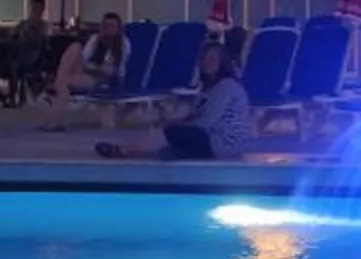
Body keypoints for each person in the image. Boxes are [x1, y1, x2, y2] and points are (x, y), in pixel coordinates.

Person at [98, 41, 248, 160]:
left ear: (222, 63)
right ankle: (134, 152)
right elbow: (194, 114)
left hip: (223, 143)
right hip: (212, 140)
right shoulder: (208, 88)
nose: (206, 62)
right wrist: (171, 119)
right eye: (204, 58)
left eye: (212, 59)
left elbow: (205, 123)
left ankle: (124, 150)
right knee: (168, 151)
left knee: (172, 133)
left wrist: (176, 126)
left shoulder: (226, 86)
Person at [50, 11, 131, 102]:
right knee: (75, 47)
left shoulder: (123, 44)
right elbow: (84, 59)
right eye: (106, 25)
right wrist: (92, 66)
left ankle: (59, 90)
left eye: (112, 26)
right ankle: (58, 85)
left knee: (64, 83)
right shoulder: (95, 39)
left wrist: (120, 88)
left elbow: (119, 70)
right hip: (86, 69)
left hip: (98, 78)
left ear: (118, 28)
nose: (108, 28)